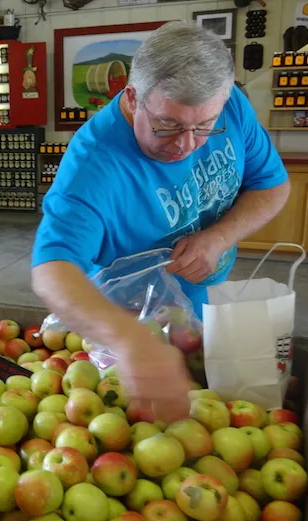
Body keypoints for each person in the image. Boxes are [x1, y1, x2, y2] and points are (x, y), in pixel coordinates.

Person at [31, 22, 291, 423]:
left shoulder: (231, 107)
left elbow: (272, 186)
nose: (186, 145)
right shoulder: (93, 167)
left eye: (204, 127)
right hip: (125, 336)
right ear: (133, 99)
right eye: (168, 125)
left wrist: (219, 237)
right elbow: (51, 271)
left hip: (203, 310)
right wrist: (133, 342)